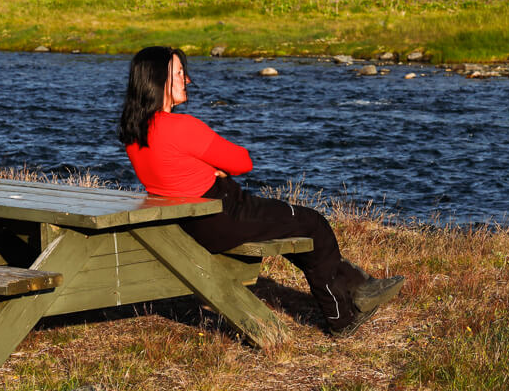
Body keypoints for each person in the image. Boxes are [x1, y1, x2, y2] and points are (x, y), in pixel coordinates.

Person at [118, 45, 403, 336]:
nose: (187, 80)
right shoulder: (181, 126)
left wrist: (205, 166)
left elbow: (171, 169)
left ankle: (358, 284)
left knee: (296, 230)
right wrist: (215, 167)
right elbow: (242, 161)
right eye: (179, 73)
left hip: (193, 223)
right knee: (314, 224)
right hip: (226, 214)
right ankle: (341, 317)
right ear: (158, 79)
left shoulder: (134, 129)